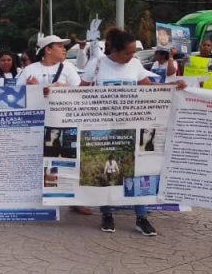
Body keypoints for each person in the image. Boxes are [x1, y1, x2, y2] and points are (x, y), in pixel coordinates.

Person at [82, 28, 174, 236]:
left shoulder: (135, 64)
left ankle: (141, 217)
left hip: (132, 126)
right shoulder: (97, 64)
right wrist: (55, 91)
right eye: (128, 52)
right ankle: (106, 214)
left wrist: (173, 87)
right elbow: (78, 92)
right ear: (115, 50)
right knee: (107, 171)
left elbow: (148, 88)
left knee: (137, 170)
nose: (131, 56)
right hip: (103, 128)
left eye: (134, 52)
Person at [17, 36, 81, 91]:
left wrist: (66, 88)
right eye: (60, 46)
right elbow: (17, 92)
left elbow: (80, 92)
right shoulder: (29, 70)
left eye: (63, 47)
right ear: (48, 50)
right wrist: (27, 88)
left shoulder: (68, 68)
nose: (64, 49)